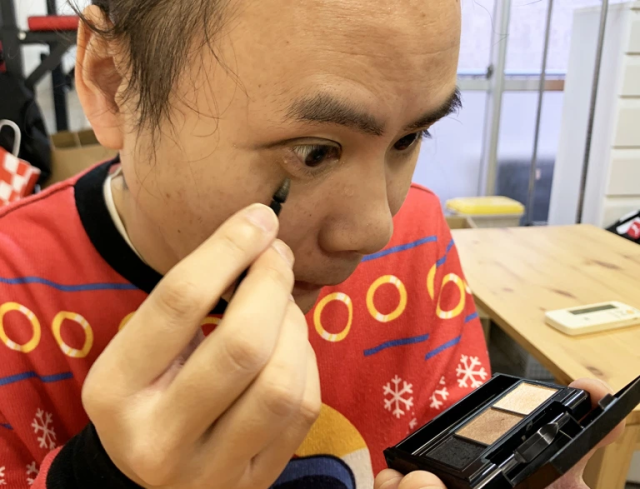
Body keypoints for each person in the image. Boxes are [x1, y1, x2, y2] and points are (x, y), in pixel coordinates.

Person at [0, 0, 623, 488]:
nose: (376, 230)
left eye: (409, 139)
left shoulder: (417, 239)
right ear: (114, 84)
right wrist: (103, 477)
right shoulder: (14, 297)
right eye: (314, 152)